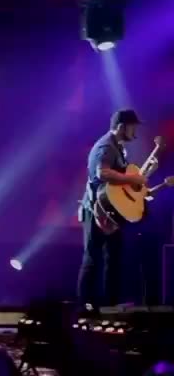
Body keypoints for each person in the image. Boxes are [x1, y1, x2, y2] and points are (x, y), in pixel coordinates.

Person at [77, 109, 149, 309]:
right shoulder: (107, 146)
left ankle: (110, 305)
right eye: (133, 127)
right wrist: (131, 178)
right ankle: (84, 307)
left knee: (113, 258)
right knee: (92, 259)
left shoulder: (118, 147)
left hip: (111, 212)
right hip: (96, 210)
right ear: (121, 127)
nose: (135, 131)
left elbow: (118, 183)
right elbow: (103, 173)